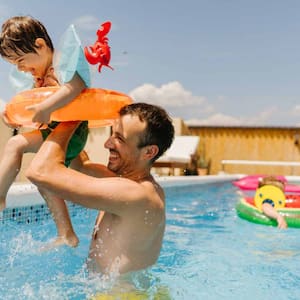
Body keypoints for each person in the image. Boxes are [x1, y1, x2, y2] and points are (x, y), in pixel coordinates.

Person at [26, 102, 175, 274]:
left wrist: (69, 122)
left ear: (149, 152)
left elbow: (39, 171)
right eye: (112, 135)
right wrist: (69, 112)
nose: (107, 144)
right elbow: (81, 166)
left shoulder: (137, 194)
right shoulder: (124, 182)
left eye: (119, 138)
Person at [0, 15, 92, 247]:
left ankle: (0, 196)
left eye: (21, 60)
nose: (21, 68)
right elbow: (30, 110)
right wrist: (12, 115)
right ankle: (67, 234)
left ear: (40, 45)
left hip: (72, 131)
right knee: (76, 172)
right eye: (15, 65)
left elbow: (76, 86)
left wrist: (45, 107)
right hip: (54, 131)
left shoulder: (61, 65)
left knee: (17, 146)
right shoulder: (39, 77)